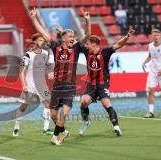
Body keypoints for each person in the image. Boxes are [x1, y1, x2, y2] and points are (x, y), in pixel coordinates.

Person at [30, 7, 91, 145]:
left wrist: (87, 21)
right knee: (53, 115)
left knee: (63, 114)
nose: (72, 38)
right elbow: (43, 33)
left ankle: (55, 137)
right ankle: (63, 131)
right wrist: (34, 18)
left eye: (73, 37)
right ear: (63, 38)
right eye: (70, 36)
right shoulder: (55, 46)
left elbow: (87, 35)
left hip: (70, 87)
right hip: (57, 87)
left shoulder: (76, 48)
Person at [79, 27, 135, 137]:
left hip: (103, 82)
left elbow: (118, 45)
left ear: (94, 44)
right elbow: (86, 34)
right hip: (91, 83)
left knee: (106, 104)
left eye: (88, 44)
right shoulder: (87, 52)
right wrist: (87, 22)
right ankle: (86, 122)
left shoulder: (105, 52)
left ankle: (116, 126)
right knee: (84, 102)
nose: (86, 46)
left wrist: (127, 36)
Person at [13, 33, 54, 136]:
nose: (42, 42)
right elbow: (21, 71)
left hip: (41, 84)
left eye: (43, 41)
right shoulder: (28, 55)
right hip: (30, 84)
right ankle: (16, 128)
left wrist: (50, 71)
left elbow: (49, 65)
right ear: (35, 41)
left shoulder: (45, 53)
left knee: (48, 104)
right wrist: (24, 85)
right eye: (40, 40)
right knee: (24, 106)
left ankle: (46, 129)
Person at [142, 28, 161, 118]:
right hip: (153, 71)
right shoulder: (150, 45)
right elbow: (150, 56)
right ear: (152, 36)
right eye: (154, 35)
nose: (156, 37)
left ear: (160, 36)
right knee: (150, 91)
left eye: (157, 35)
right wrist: (144, 62)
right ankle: (151, 112)